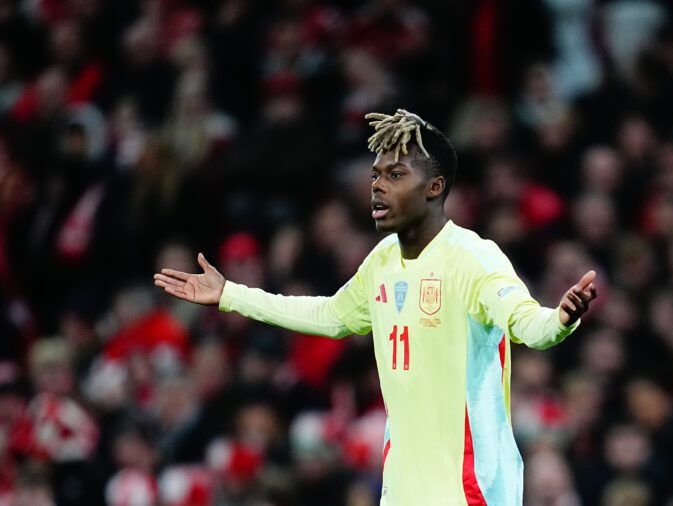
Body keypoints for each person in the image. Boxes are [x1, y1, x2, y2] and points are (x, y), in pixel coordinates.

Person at [154, 109, 598, 505]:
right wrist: (231, 294)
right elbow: (330, 316)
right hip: (403, 485)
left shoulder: (473, 259)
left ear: (434, 188)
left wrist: (561, 318)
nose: (378, 187)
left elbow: (526, 323)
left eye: (396, 175)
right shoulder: (382, 261)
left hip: (471, 485)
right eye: (376, 175)